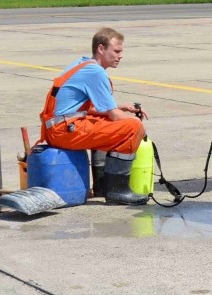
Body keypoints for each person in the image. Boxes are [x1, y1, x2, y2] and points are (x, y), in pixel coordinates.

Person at [39, 27, 149, 206]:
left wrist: (122, 107)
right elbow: (114, 116)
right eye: (117, 51)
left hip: (57, 127)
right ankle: (117, 191)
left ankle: (101, 186)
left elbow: (90, 109)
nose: (120, 56)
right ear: (101, 49)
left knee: (107, 123)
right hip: (63, 131)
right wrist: (137, 124)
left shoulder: (83, 63)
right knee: (132, 127)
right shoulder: (96, 73)